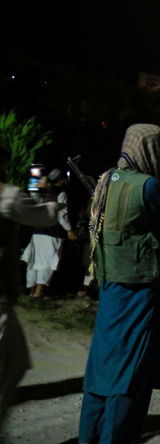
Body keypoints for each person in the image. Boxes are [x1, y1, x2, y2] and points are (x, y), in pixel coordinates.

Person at [78, 124, 160, 444]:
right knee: (131, 368)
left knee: (103, 361)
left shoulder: (105, 180)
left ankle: (89, 435)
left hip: (110, 284)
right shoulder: (149, 186)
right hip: (141, 288)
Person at [0, 179, 60, 432]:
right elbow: (44, 215)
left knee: (16, 361)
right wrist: (48, 194)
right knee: (12, 365)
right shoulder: (7, 196)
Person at [20, 168, 75, 298]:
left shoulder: (42, 191)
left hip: (37, 231)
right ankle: (39, 291)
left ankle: (32, 290)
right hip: (52, 232)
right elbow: (62, 213)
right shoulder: (60, 193)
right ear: (61, 180)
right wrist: (69, 229)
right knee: (47, 262)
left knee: (35, 261)